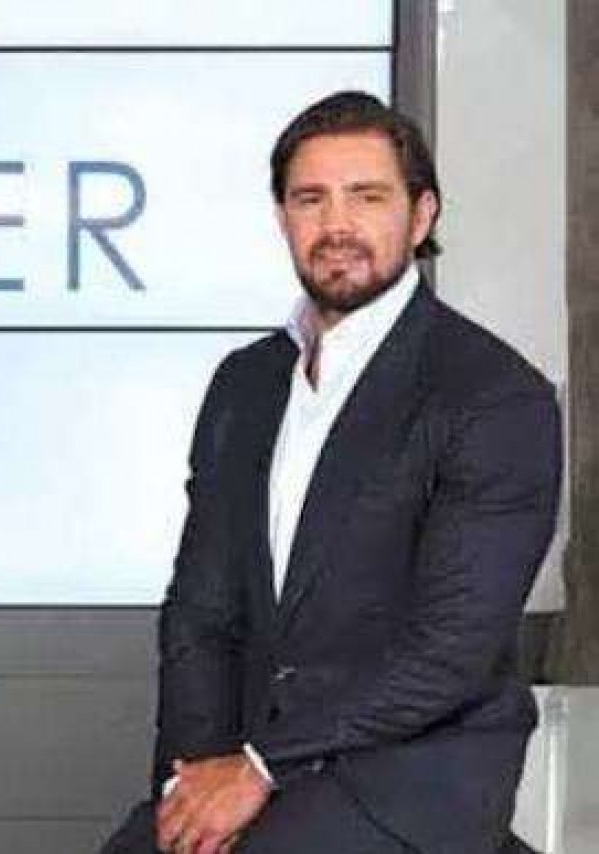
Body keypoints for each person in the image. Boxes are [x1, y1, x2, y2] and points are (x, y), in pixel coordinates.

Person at [100, 90, 562, 853]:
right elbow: (201, 611)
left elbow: (451, 650)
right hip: (257, 772)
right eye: (310, 199)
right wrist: (194, 780)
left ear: (421, 216)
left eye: (367, 196)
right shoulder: (245, 384)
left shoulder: (492, 395)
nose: (336, 224)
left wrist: (257, 767)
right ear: (282, 217)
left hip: (407, 782)